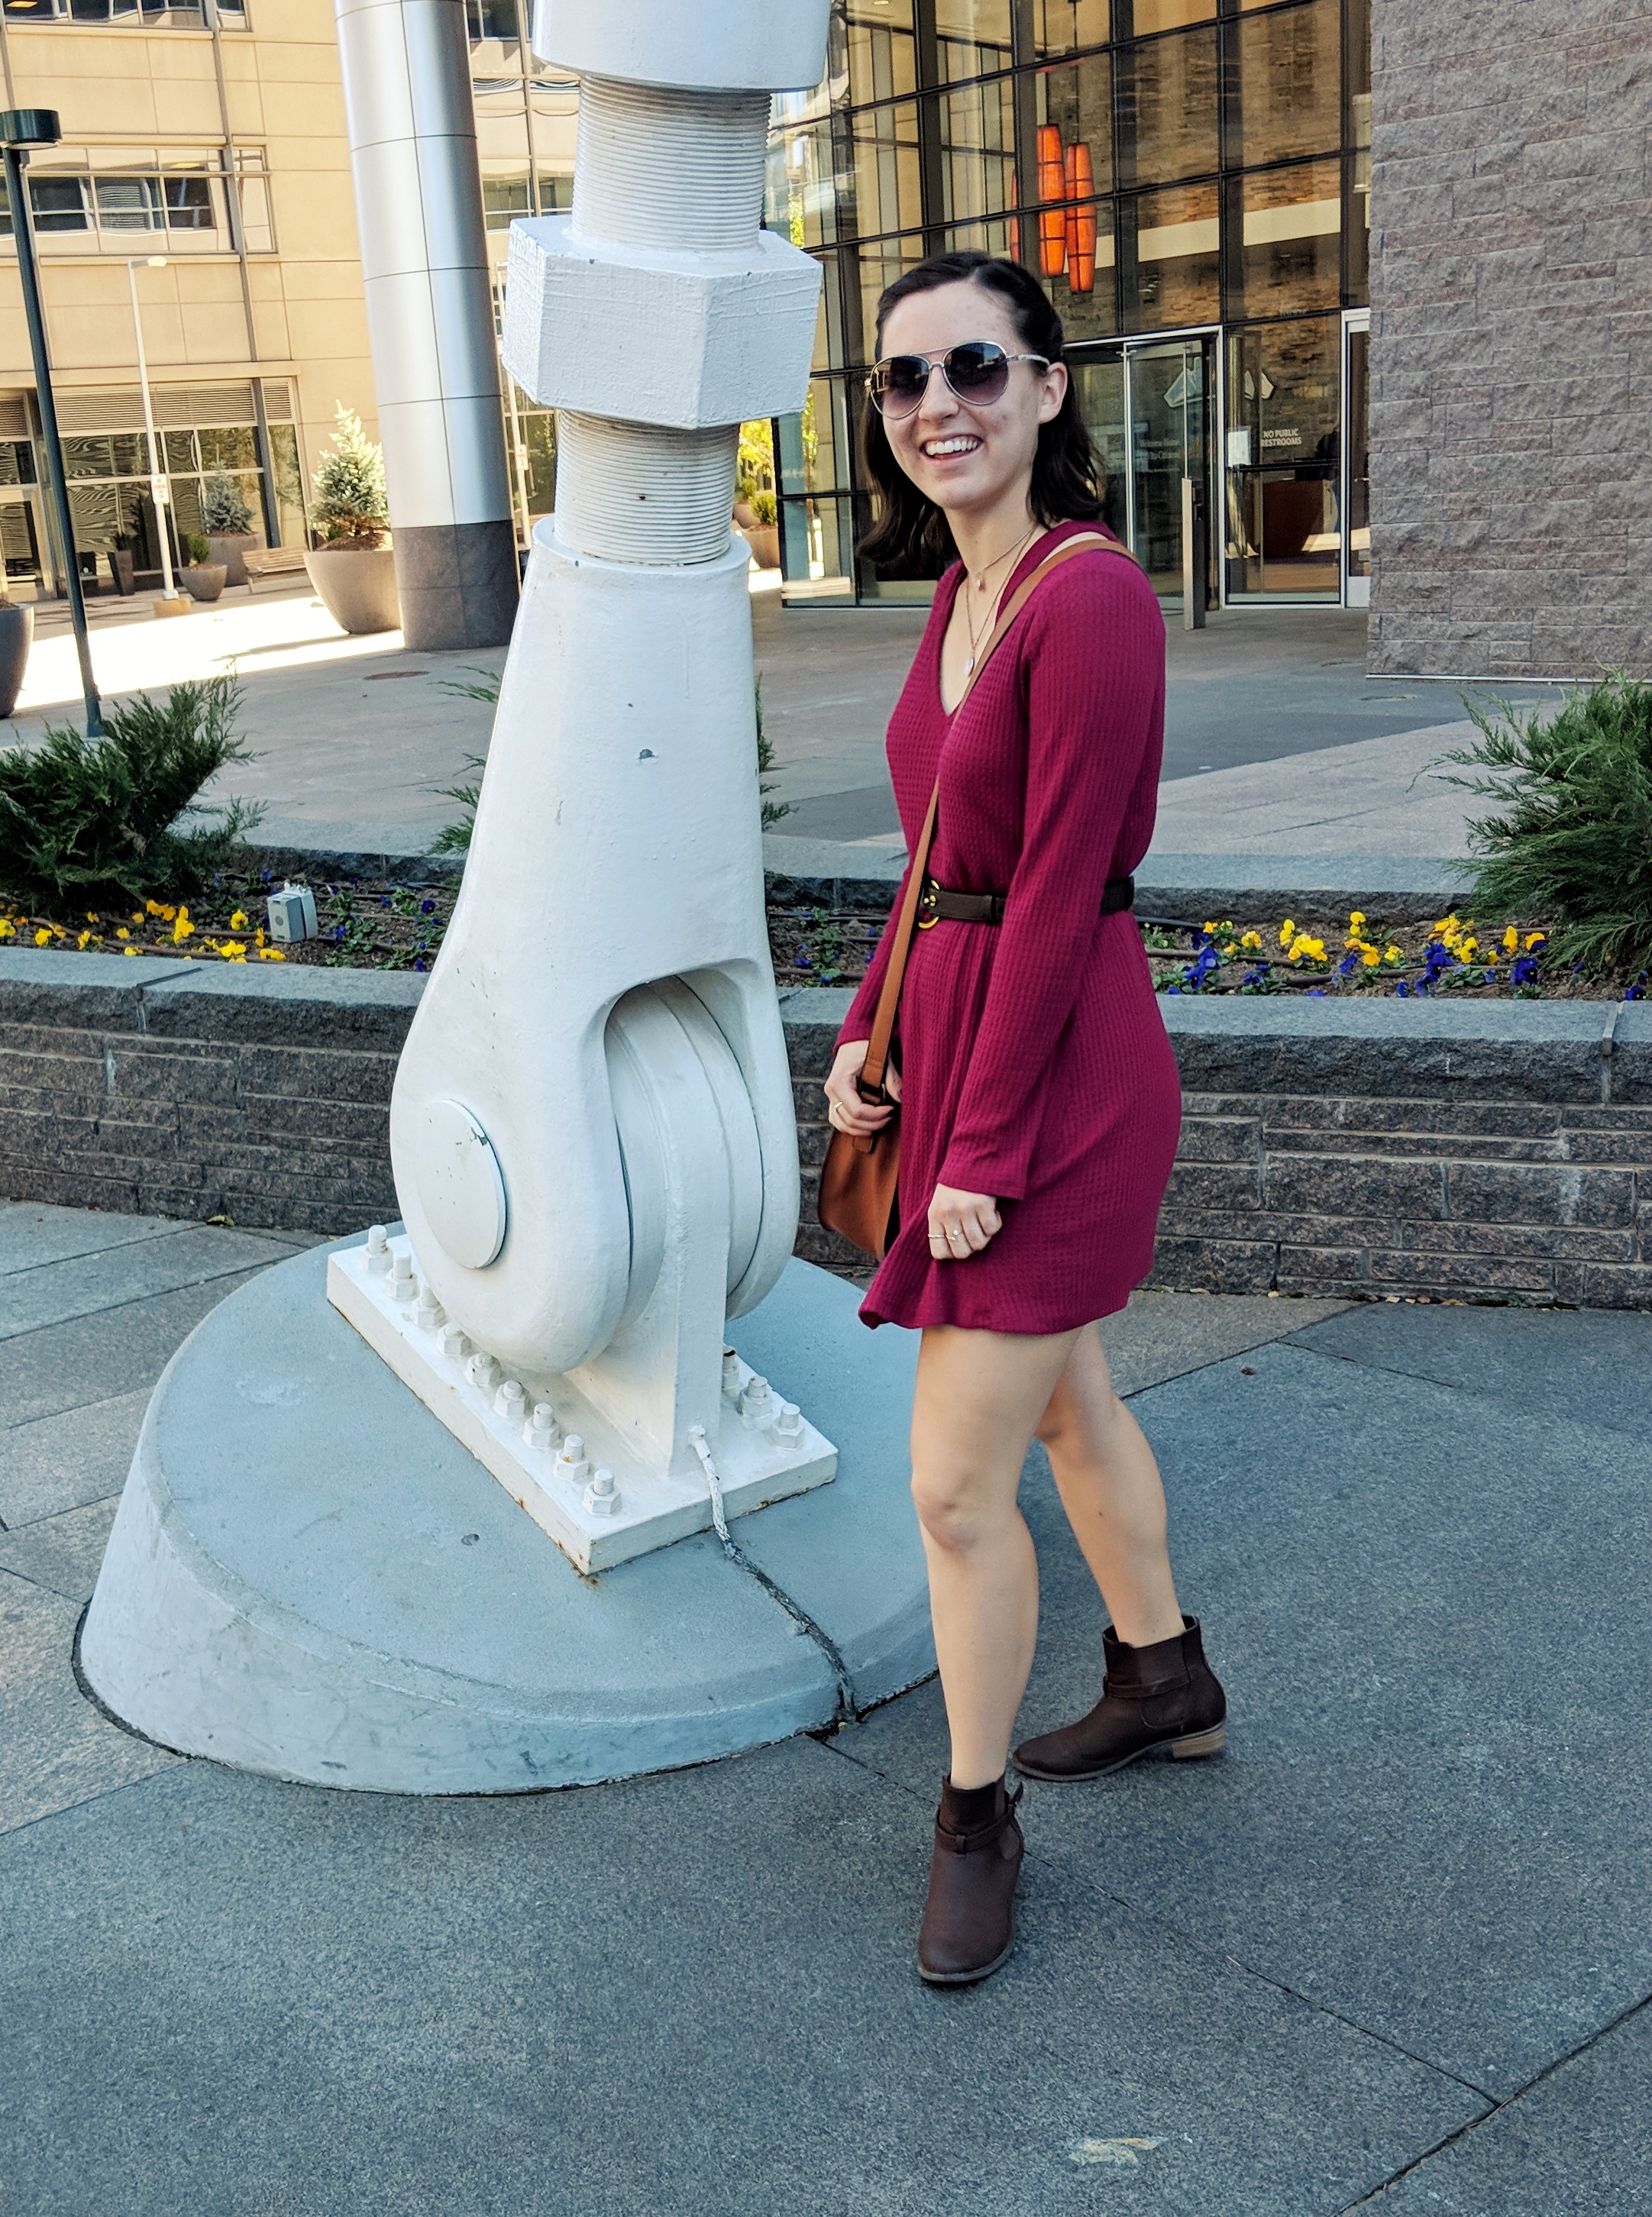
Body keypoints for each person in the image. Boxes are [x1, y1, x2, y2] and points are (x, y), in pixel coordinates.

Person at [822, 253, 1226, 1986]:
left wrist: (974, 1155)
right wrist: (864, 1031)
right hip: (970, 1038)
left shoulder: (1088, 598)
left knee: (950, 1489)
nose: (936, 407)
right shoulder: (957, 597)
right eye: (902, 381)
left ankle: (973, 1817)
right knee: (1065, 1408)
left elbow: (1058, 893)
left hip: (1057, 1083)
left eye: (974, 366)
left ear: (1049, 389)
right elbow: (941, 869)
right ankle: (1163, 1677)